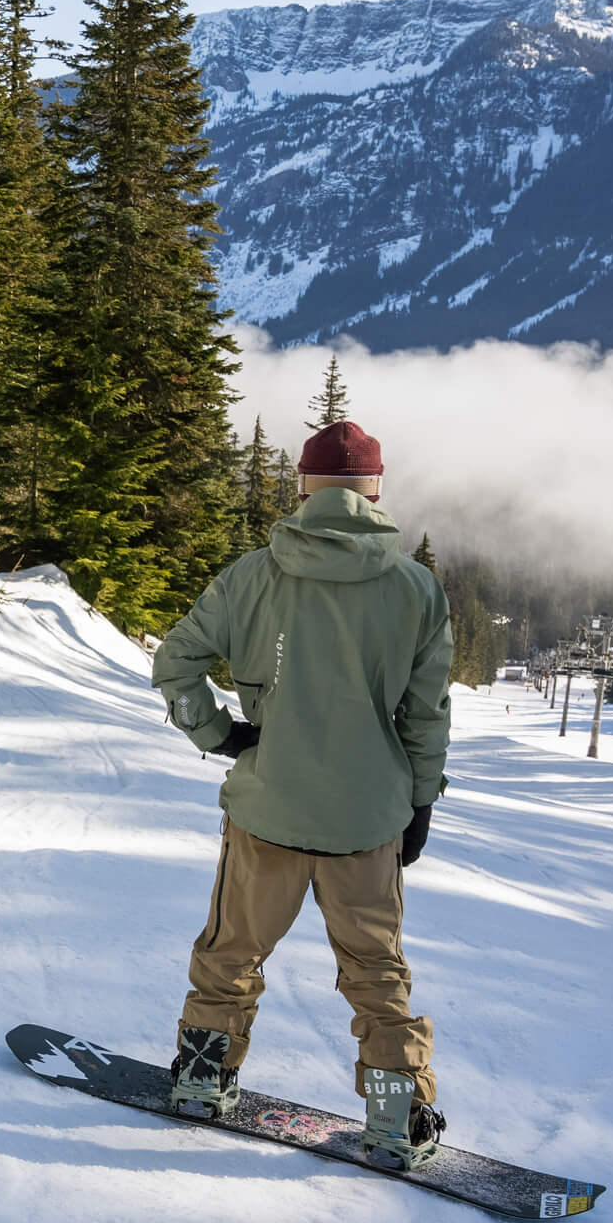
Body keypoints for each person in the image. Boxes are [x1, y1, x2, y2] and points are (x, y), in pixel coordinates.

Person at [149, 419, 455, 1170]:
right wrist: (418, 802)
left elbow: (176, 662)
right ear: (376, 489)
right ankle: (395, 1117)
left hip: (269, 808)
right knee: (377, 971)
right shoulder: (416, 587)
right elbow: (426, 714)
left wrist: (220, 737)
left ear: (304, 488)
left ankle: (201, 1081)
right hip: (368, 818)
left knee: (232, 951)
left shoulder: (252, 575)